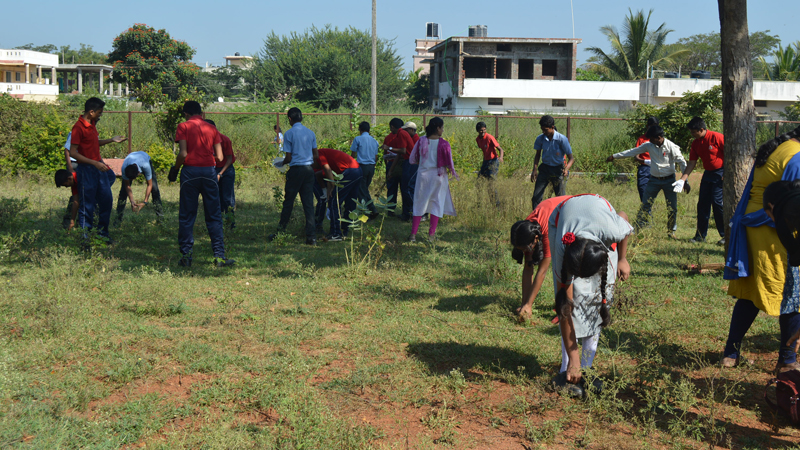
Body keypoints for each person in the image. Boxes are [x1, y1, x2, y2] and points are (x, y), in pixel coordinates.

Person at [722, 126, 800, 371]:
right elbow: (792, 204)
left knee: (751, 293)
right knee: (792, 293)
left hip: (753, 226)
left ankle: (730, 354)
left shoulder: (778, 148)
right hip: (775, 227)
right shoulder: (796, 155)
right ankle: (787, 361)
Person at [548, 195, 633, 394]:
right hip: (562, 221)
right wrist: (573, 358)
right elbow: (565, 308)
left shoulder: (612, 230)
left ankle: (586, 368)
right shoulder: (563, 248)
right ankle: (567, 368)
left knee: (598, 297)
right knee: (571, 298)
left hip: (598, 227)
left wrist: (622, 259)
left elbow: (624, 216)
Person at [170, 101, 234, 267]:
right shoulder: (211, 128)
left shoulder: (183, 126)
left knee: (187, 216)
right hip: (209, 173)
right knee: (214, 216)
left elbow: (183, 153)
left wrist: (175, 169)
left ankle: (186, 257)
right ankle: (219, 257)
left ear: (186, 113)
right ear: (201, 113)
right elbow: (220, 157)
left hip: (189, 173)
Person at [607, 125, 687, 238]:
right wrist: (614, 156)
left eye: (652, 138)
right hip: (653, 180)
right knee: (645, 204)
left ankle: (671, 231)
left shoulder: (671, 147)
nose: (649, 140)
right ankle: (638, 228)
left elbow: (682, 163)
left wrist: (685, 181)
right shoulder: (649, 145)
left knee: (672, 207)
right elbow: (632, 151)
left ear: (659, 137)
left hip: (669, 180)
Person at [69, 97, 127, 242]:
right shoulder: (78, 127)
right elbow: (73, 152)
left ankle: (103, 234)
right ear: (91, 112)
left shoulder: (92, 124)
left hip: (98, 167)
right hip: (87, 169)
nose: (100, 115)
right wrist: (94, 163)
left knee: (106, 201)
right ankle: (85, 237)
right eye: (99, 113)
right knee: (86, 205)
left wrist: (111, 140)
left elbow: (94, 143)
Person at [511, 195, 573, 320]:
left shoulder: (546, 231)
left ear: (536, 239)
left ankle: (567, 310)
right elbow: (528, 268)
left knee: (563, 265)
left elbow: (542, 271)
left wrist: (529, 305)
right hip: (554, 213)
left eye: (526, 249)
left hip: (572, 213)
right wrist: (524, 304)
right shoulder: (526, 229)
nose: (524, 252)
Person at [269, 107, 319, 245]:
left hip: (296, 170)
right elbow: (316, 155)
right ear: (301, 117)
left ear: (290, 119)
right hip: (309, 170)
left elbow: (289, 157)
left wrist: (280, 163)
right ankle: (311, 237)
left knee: (288, 202)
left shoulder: (289, 134)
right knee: (308, 204)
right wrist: (310, 167)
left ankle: (280, 232)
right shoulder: (310, 133)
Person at [674, 117, 725, 245]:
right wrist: (682, 179)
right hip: (708, 174)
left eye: (693, 132)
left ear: (701, 129)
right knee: (702, 205)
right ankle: (700, 236)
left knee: (718, 203)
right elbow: (692, 162)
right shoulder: (696, 143)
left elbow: (730, 154)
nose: (692, 134)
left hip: (721, 173)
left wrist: (727, 173)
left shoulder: (717, 137)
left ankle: (725, 236)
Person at [407, 117, 458, 243]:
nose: (443, 130)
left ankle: (413, 235)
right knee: (436, 204)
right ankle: (431, 236)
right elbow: (449, 163)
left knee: (419, 204)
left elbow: (412, 159)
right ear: (438, 128)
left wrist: (422, 162)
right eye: (442, 127)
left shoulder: (421, 140)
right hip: (439, 177)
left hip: (423, 176)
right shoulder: (445, 144)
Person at [314, 148, 363, 241]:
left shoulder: (319, 154)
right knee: (350, 202)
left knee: (334, 201)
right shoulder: (325, 157)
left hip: (350, 171)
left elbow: (328, 172)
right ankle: (346, 230)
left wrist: (330, 198)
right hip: (358, 170)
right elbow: (329, 179)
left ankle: (335, 233)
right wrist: (328, 192)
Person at [531, 115, 575, 210]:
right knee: (536, 197)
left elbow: (571, 158)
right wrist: (534, 169)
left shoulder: (562, 139)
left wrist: (566, 169)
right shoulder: (540, 138)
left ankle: (560, 219)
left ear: (552, 127)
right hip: (544, 169)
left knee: (561, 199)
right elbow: (537, 155)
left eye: (545, 130)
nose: (543, 132)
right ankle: (535, 219)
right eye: (542, 129)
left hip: (558, 170)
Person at [381, 118, 416, 220]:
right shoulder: (401, 134)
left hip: (409, 163)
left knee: (406, 189)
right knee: (404, 188)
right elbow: (399, 153)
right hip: (405, 162)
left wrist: (389, 148)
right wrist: (391, 170)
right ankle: (405, 213)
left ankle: (410, 213)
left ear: (392, 127)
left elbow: (403, 151)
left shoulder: (401, 134)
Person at [116, 151, 164, 223]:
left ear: (139, 173)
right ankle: (117, 220)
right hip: (131, 159)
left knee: (154, 189)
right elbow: (127, 185)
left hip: (144, 158)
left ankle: (160, 219)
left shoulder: (145, 165)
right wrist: (132, 202)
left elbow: (149, 184)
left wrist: (145, 202)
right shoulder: (124, 168)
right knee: (123, 192)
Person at [206, 119, 236, 229]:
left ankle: (230, 223)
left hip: (226, 170)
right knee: (216, 198)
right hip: (213, 170)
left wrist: (220, 174)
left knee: (227, 198)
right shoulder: (206, 141)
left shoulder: (224, 139)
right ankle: (217, 223)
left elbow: (229, 160)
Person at [350, 121, 380, 217]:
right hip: (371, 166)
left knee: (361, 189)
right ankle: (372, 209)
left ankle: (367, 211)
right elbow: (376, 156)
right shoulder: (374, 141)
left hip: (362, 166)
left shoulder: (358, 139)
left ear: (360, 129)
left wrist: (351, 164)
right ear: (369, 130)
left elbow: (353, 153)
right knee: (364, 189)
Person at [476, 121, 504, 206]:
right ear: (478, 131)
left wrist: (501, 157)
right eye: (481, 130)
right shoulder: (478, 139)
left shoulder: (489, 137)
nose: (483, 131)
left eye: (484, 129)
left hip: (493, 161)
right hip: (486, 161)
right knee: (478, 182)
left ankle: (496, 205)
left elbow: (500, 149)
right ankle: (479, 203)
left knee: (491, 184)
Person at [632, 117, 659, 203]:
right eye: (652, 126)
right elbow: (636, 157)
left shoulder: (660, 140)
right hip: (644, 169)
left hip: (657, 168)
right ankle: (647, 213)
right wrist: (646, 161)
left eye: (656, 126)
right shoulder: (641, 139)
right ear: (647, 126)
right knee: (643, 192)